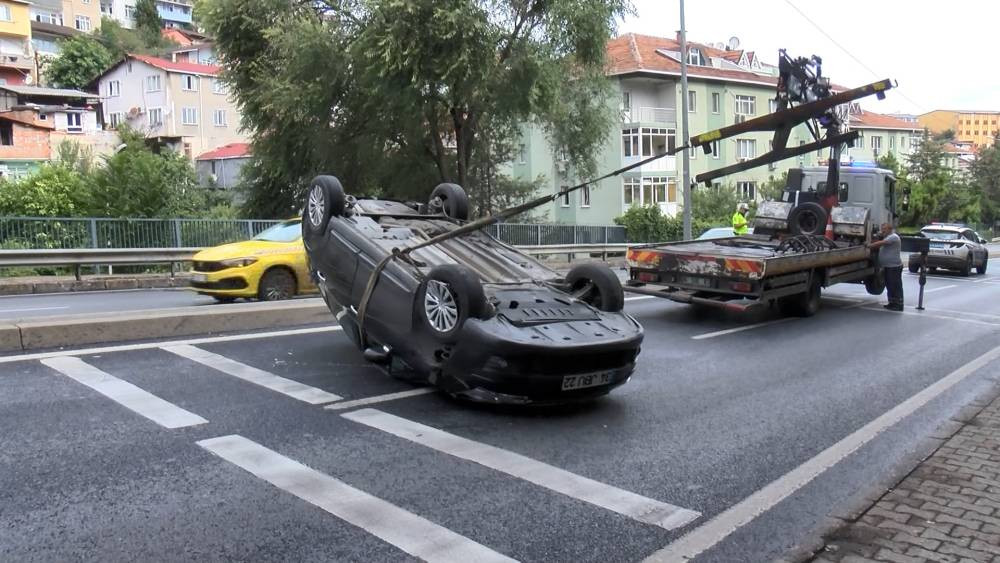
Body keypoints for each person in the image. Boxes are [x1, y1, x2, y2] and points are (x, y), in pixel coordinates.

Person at [868, 222, 903, 311]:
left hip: (894, 267)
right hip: (888, 266)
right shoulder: (887, 236)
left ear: (890, 229)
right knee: (889, 285)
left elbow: (882, 243)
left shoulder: (893, 237)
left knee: (895, 285)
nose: (882, 231)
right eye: (882, 229)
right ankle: (892, 303)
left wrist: (869, 245)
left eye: (884, 229)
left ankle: (898, 304)